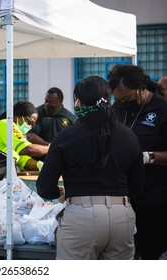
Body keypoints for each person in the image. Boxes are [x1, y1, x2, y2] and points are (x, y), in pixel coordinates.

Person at [37, 76, 144, 260]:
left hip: (81, 216)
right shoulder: (130, 136)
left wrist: (60, 193)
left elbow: (44, 187)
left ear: (79, 101)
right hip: (122, 217)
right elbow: (138, 187)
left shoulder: (66, 137)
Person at [108, 64, 167, 260]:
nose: (122, 102)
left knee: (151, 252)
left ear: (141, 89)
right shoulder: (117, 110)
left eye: (127, 98)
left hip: (155, 198)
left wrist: (148, 157)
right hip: (122, 198)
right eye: (118, 98)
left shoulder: (162, 109)